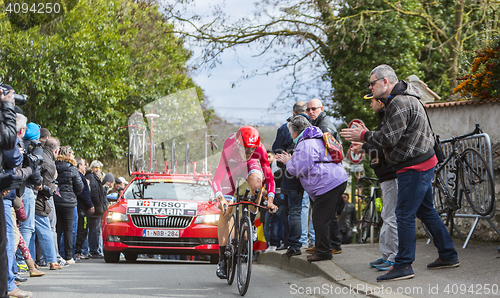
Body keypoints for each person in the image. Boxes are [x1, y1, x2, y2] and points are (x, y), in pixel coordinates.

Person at [340, 64, 459, 281]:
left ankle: (404, 265)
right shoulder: (401, 99)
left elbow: (388, 138)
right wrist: (366, 140)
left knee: (403, 214)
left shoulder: (400, 102)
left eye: (372, 82)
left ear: (385, 82)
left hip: (414, 166)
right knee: (426, 211)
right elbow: (391, 137)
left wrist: (364, 135)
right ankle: (448, 254)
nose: (370, 87)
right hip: (420, 163)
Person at [276, 115, 348, 262]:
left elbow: (299, 170)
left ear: (295, 132)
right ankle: (327, 247)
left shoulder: (305, 144)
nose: (291, 136)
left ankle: (323, 252)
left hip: (327, 183)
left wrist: (288, 162)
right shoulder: (318, 137)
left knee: (320, 219)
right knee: (325, 218)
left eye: (291, 133)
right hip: (336, 180)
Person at [212, 126, 277, 279]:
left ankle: (251, 225)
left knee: (257, 187)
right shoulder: (229, 146)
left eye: (251, 150)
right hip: (232, 169)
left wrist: (270, 200)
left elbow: (269, 178)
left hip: (250, 168)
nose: (248, 154)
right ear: (237, 144)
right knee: (226, 212)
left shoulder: (258, 150)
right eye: (245, 150)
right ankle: (222, 259)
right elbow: (217, 179)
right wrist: (220, 197)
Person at [351, 94, 398, 271]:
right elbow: (379, 145)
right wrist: (365, 141)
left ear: (380, 102)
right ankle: (387, 255)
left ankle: (393, 257)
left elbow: (383, 146)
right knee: (387, 215)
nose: (370, 104)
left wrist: (364, 144)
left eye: (371, 101)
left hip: (391, 174)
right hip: (386, 175)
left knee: (391, 216)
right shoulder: (383, 118)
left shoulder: (387, 118)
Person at [272, 101, 310, 256]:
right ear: (306, 112)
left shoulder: (285, 128)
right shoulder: (312, 127)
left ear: (293, 112)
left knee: (290, 209)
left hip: (288, 173)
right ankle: (295, 242)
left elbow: (276, 149)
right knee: (298, 208)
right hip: (306, 174)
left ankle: (292, 243)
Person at [306, 98, 342, 255]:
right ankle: (330, 244)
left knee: (323, 214)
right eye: (309, 109)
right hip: (329, 174)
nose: (311, 112)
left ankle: (329, 245)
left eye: (314, 109)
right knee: (328, 213)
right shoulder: (319, 124)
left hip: (327, 175)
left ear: (321, 108)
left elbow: (324, 150)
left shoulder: (324, 125)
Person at [35, 137, 62, 271]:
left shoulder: (38, 154)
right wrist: (51, 189)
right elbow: (46, 186)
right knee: (46, 228)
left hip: (34, 196)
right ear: (56, 150)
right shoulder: (49, 163)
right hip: (40, 199)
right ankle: (52, 259)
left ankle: (33, 260)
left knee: (29, 230)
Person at [54, 146, 83, 264]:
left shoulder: (54, 165)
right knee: (69, 229)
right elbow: (79, 186)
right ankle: (68, 256)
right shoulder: (73, 168)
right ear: (68, 154)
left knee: (57, 229)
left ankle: (56, 255)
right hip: (69, 202)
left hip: (56, 200)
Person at [85, 160, 107, 258]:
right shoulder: (91, 177)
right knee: (94, 230)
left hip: (97, 207)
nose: (97, 169)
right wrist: (98, 205)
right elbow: (94, 193)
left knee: (96, 230)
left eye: (99, 168)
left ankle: (95, 249)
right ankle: (94, 250)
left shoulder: (96, 177)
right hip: (95, 207)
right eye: (95, 167)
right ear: (92, 167)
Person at [74, 157, 94, 260]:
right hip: (82, 208)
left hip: (82, 207)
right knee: (82, 229)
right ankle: (77, 250)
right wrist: (90, 204)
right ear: (79, 166)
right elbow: (83, 192)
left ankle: (79, 250)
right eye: (83, 164)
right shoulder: (79, 177)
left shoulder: (82, 177)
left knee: (83, 229)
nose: (85, 167)